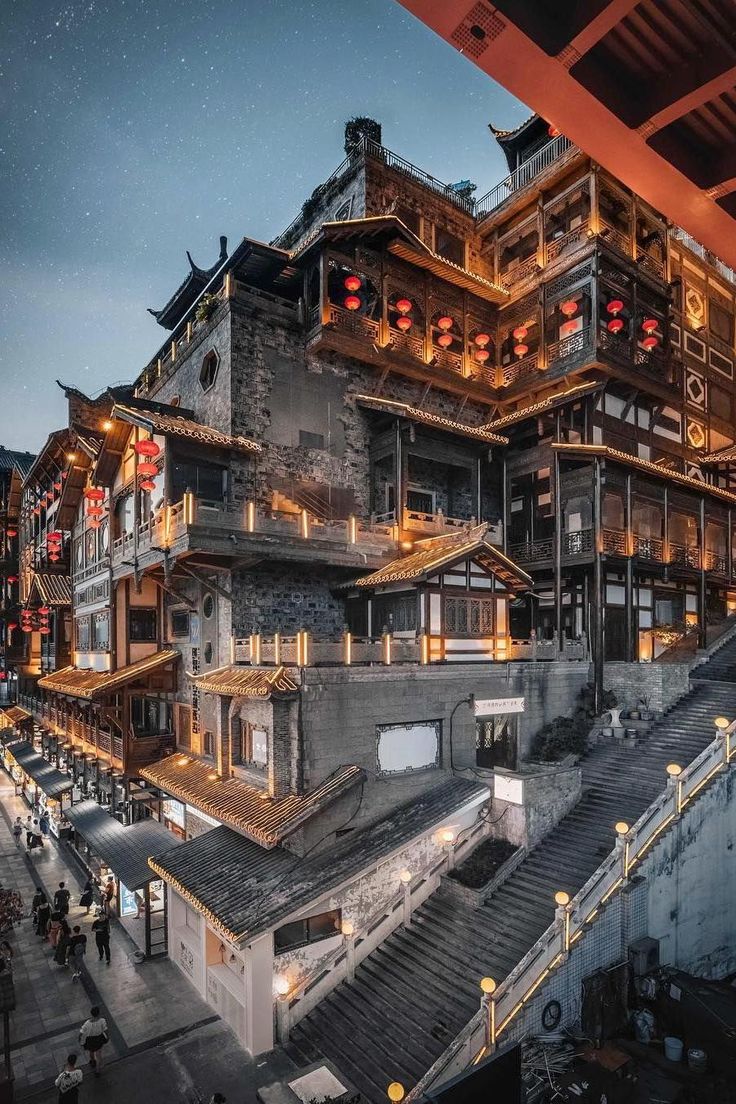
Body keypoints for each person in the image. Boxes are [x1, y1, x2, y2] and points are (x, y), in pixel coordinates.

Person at [79, 1005, 108, 1075]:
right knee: (98, 1054)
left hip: (89, 1040)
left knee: (91, 1051)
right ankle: (97, 1070)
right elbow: (105, 1030)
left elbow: (81, 1033)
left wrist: (80, 1040)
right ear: (98, 1013)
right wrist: (107, 1037)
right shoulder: (102, 1021)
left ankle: (92, 1062)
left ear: (91, 1013)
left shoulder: (87, 1023)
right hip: (99, 1039)